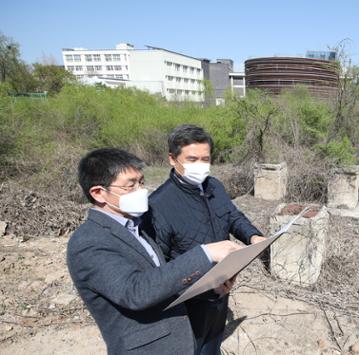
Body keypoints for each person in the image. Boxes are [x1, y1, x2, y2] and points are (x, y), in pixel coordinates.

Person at [67, 148, 241, 355]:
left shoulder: (134, 227)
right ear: (98, 193)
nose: (141, 190)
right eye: (130, 185)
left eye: (141, 182)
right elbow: (136, 291)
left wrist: (210, 289)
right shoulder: (88, 242)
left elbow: (161, 282)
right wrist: (204, 254)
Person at [143, 124, 265, 355]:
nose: (200, 165)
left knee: (213, 344)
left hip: (223, 286)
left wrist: (253, 235)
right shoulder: (159, 205)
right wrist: (200, 285)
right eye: (191, 159)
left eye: (205, 159)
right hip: (188, 303)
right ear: (172, 159)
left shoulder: (214, 186)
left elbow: (232, 216)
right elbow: (160, 267)